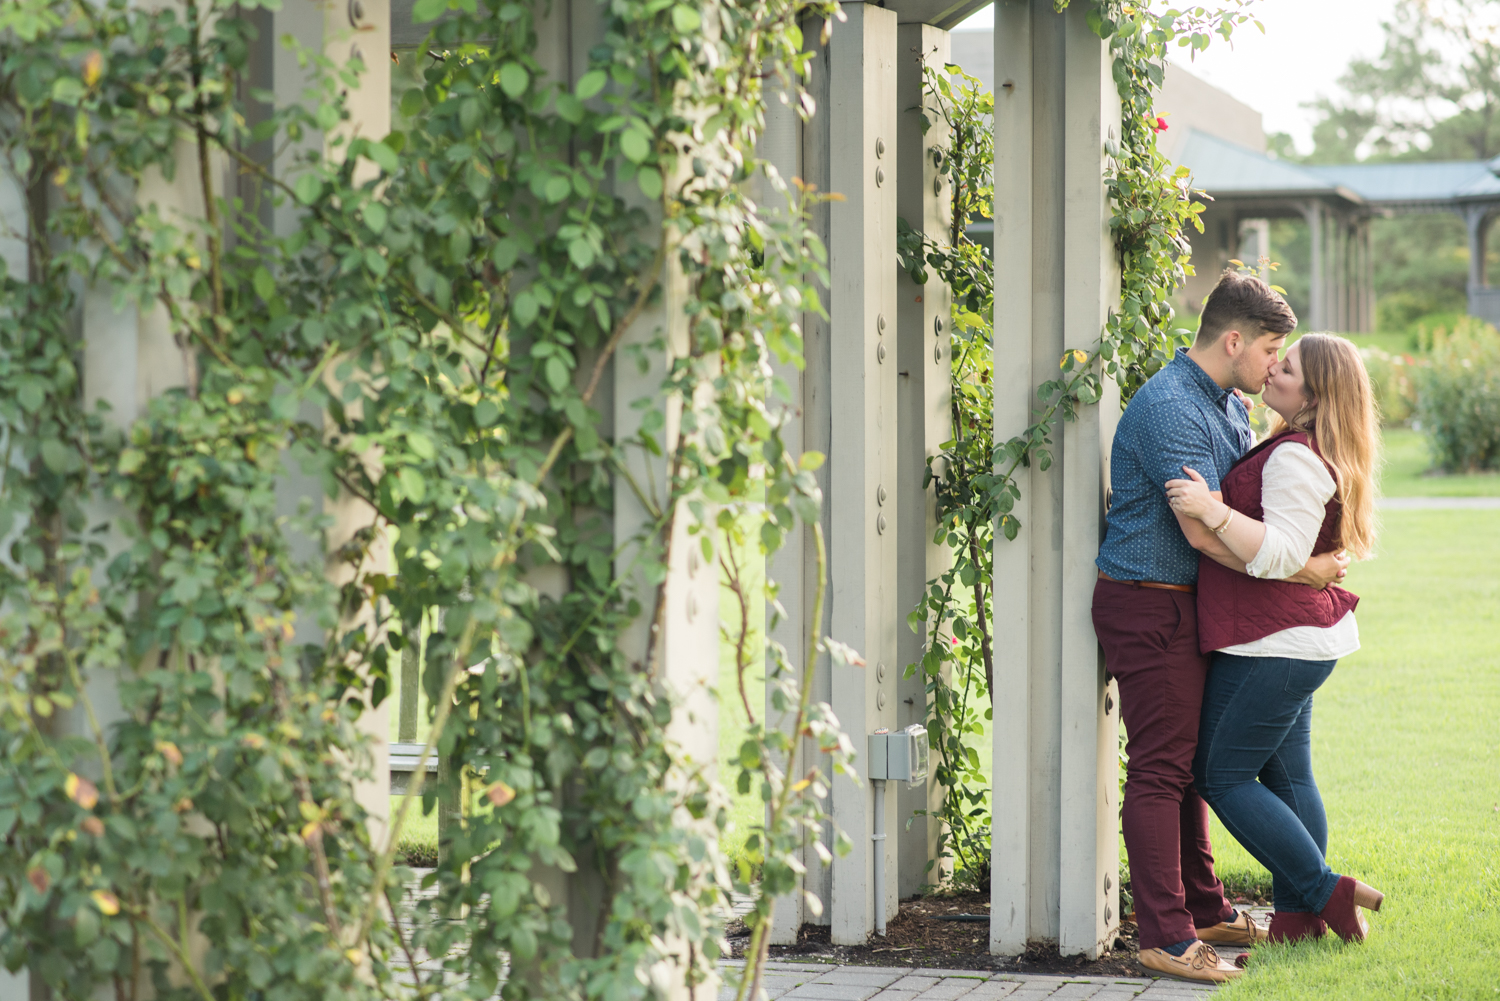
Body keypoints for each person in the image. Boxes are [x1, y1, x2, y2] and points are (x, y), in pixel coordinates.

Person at [1093, 269, 1348, 985]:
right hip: (1150, 601)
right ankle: (1166, 936)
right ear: (1234, 340)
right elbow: (1204, 536)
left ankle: (1203, 906)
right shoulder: (1174, 406)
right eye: (1272, 350)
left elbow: (1246, 521)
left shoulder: (1227, 403)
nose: (1275, 366)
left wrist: (1302, 554)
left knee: (1190, 769)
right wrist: (1310, 568)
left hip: (1191, 605)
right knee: (1162, 769)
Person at [1166, 332, 1385, 950]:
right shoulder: (1304, 445)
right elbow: (1297, 551)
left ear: (1315, 396)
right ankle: (1297, 922)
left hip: (1273, 643)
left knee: (1220, 772)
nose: (1273, 372)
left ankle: (1325, 892)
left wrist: (1211, 511)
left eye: (1286, 368)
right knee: (1290, 779)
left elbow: (1282, 551)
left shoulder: (1294, 456)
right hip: (1296, 639)